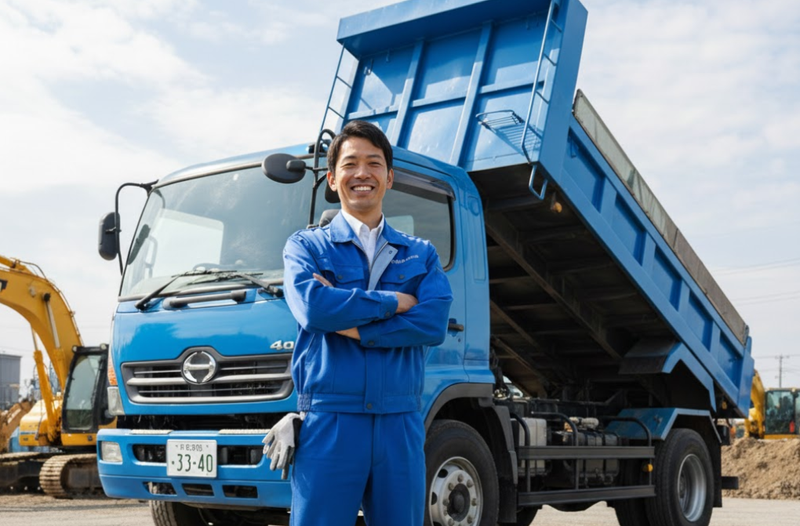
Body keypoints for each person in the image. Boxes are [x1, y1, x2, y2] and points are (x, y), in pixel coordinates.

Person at [276, 120, 453, 526]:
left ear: (389, 178)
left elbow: (432, 323)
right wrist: (394, 301)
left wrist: (352, 325)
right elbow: (314, 309)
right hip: (330, 421)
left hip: (399, 423)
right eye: (350, 163)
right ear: (332, 179)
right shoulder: (306, 246)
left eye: (374, 163)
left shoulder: (421, 253)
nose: (362, 173)